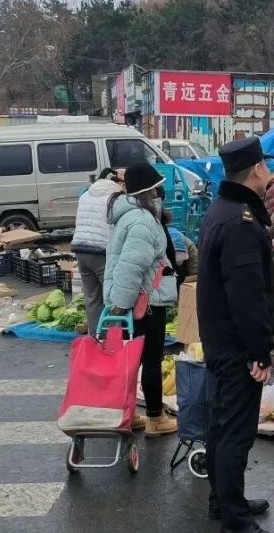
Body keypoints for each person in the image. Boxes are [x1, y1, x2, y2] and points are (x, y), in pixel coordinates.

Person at [197, 136, 274, 533]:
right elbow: (247, 297)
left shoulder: (223, 209)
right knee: (235, 434)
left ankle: (224, 501)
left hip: (220, 340)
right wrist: (259, 352)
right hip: (235, 346)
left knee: (220, 427)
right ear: (258, 169)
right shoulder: (241, 221)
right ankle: (234, 518)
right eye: (268, 167)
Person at [102, 160, 179, 437]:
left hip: (131, 302)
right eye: (158, 188)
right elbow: (131, 267)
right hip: (143, 303)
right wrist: (121, 304)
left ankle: (130, 413)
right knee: (151, 360)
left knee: (132, 360)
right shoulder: (142, 221)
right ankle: (155, 419)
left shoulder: (128, 216)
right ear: (149, 191)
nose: (161, 193)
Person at [70, 167, 122, 329]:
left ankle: (95, 339)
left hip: (80, 249)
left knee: (92, 298)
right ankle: (113, 341)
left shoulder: (85, 194)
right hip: (101, 252)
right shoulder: (115, 198)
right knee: (112, 298)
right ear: (117, 183)